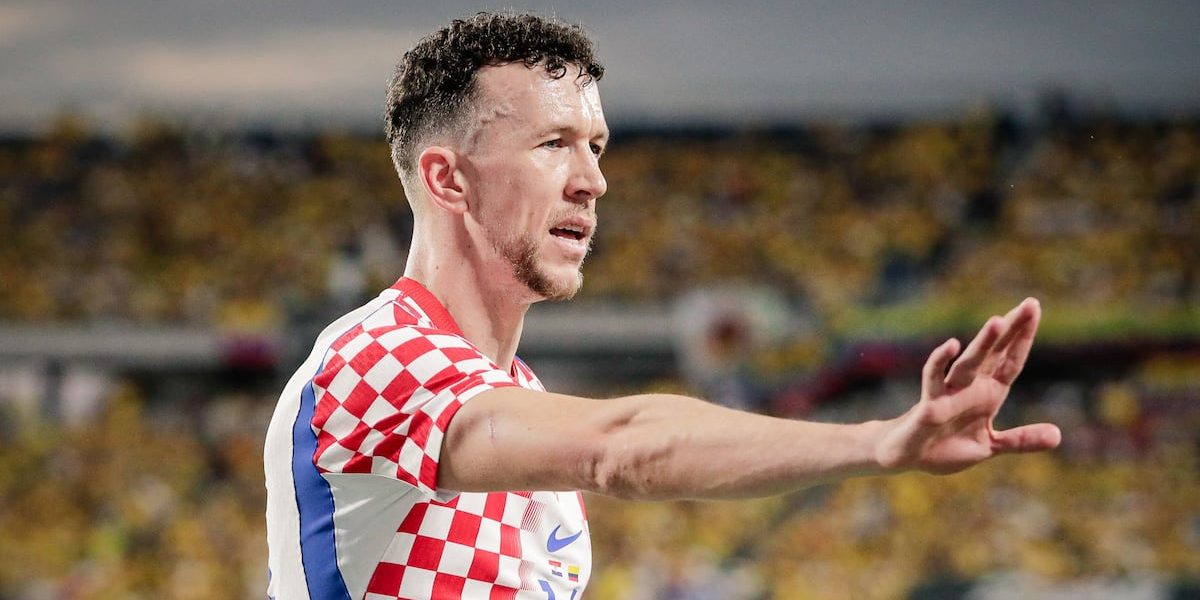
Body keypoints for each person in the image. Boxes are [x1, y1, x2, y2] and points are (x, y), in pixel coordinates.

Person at [263, 12, 1062, 600]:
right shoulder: (376, 360)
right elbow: (620, 448)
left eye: (596, 146)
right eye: (553, 144)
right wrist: (875, 441)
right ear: (448, 180)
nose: (593, 181)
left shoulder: (516, 393)